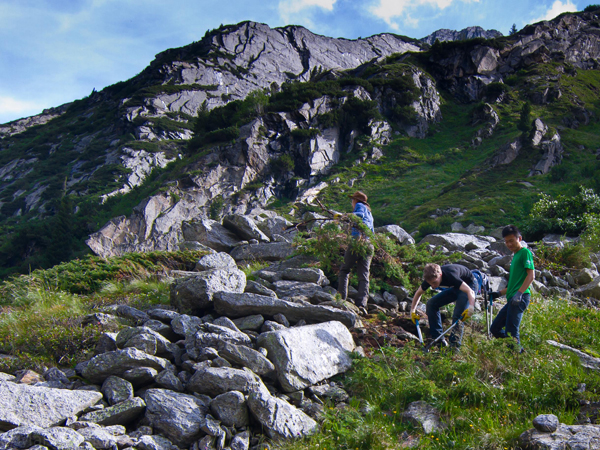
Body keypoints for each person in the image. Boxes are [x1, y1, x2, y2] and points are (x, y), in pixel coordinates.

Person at [488, 225, 535, 351]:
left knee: (511, 332)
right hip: (512, 298)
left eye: (511, 241)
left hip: (520, 297)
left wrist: (519, 293)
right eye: (506, 241)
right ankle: (518, 349)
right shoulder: (515, 256)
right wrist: (498, 293)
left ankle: (515, 353)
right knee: (494, 328)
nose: (509, 244)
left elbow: (531, 276)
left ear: (519, 238)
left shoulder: (525, 253)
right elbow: (514, 285)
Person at [410, 263, 477, 350]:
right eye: (430, 284)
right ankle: (438, 340)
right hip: (456, 287)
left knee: (458, 314)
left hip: (469, 285)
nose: (433, 286)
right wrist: (412, 310)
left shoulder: (451, 276)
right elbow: (418, 293)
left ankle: (454, 347)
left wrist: (471, 308)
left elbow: (470, 291)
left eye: (434, 282)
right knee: (431, 304)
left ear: (440, 275)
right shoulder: (430, 278)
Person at [337, 191, 374, 314]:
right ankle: (362, 303)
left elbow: (359, 215)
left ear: (356, 200)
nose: (351, 202)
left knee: (344, 270)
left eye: (352, 200)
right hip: (369, 244)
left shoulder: (360, 206)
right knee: (364, 275)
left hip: (358, 241)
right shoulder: (370, 214)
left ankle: (341, 299)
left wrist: (344, 216)